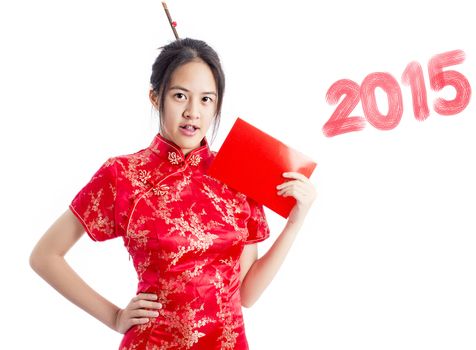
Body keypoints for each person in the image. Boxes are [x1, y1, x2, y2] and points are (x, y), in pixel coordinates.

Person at [29, 38, 316, 349]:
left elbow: (247, 294)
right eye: (180, 96)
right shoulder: (123, 174)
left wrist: (295, 222)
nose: (193, 112)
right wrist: (114, 317)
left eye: (206, 99)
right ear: (156, 98)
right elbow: (45, 256)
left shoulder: (238, 172)